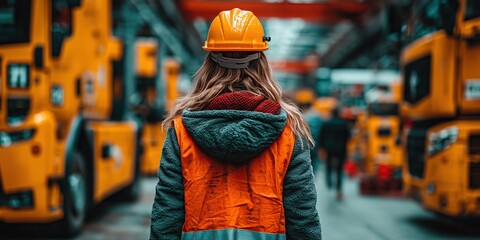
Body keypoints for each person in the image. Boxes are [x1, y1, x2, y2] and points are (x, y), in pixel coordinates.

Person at [150, 8, 321, 240]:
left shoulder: (182, 131)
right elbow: (302, 216)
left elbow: (167, 214)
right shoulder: (288, 131)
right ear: (261, 62)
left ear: (210, 62)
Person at [319, 107, 351, 201]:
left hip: (329, 148)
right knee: (340, 169)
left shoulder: (327, 123)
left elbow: (322, 135)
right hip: (341, 149)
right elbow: (348, 137)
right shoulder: (344, 123)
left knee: (328, 165)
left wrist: (322, 147)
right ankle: (338, 188)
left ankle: (329, 182)